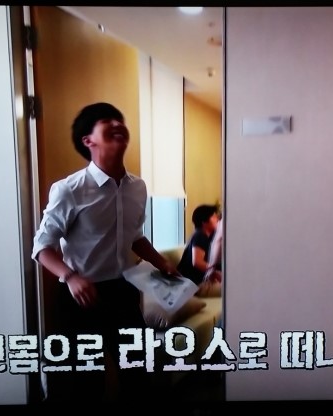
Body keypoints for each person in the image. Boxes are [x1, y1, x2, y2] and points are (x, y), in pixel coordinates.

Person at [32, 102, 178, 403]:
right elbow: (42, 247)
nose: (116, 124)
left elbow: (134, 236)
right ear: (88, 141)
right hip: (81, 298)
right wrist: (70, 277)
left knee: (138, 375)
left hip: (123, 292)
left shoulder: (138, 187)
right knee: (86, 387)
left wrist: (161, 261)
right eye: (106, 121)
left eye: (119, 119)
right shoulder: (69, 189)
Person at [177, 205, 222, 297]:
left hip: (202, 281)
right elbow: (197, 262)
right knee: (234, 288)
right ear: (204, 222)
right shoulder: (199, 235)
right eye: (214, 216)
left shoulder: (210, 236)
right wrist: (214, 272)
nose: (217, 219)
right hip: (196, 285)